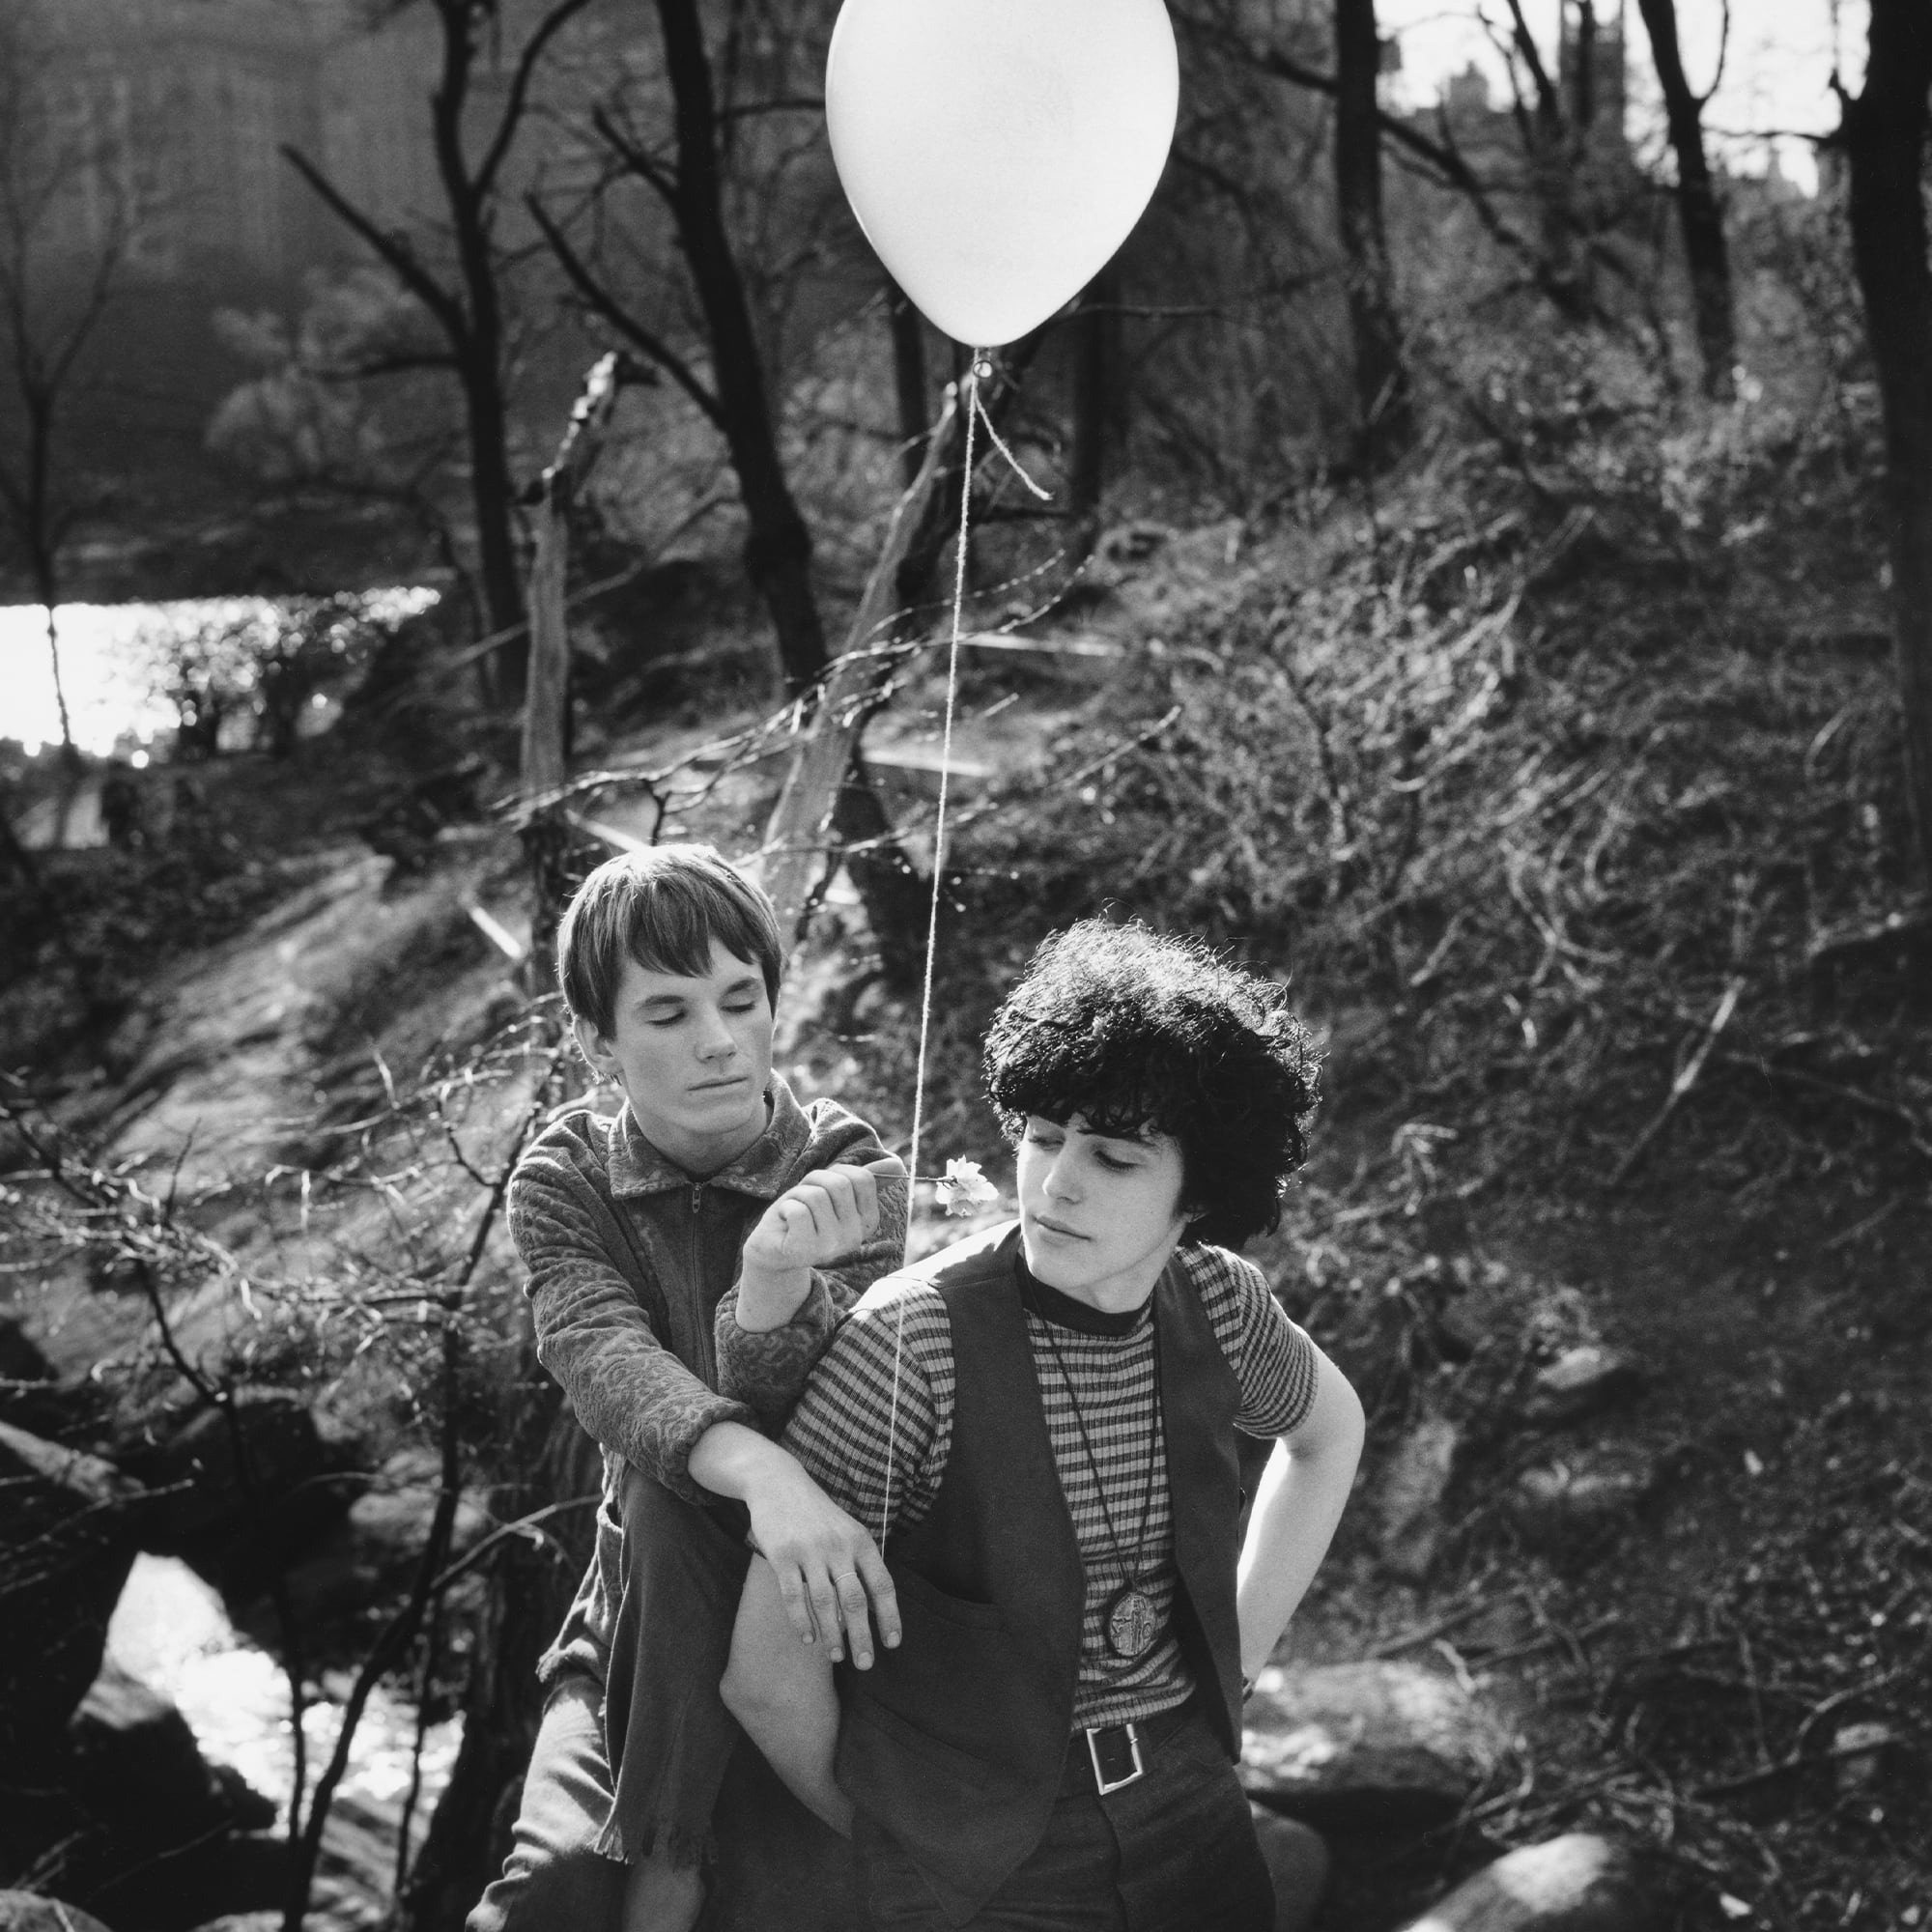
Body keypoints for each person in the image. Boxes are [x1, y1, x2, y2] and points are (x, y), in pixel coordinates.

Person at [722, 919, 1366, 1932]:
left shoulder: (1221, 1301)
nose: (1056, 1183)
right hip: (984, 1851)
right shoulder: (909, 1343)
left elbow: (1328, 1432)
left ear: (1196, 1190)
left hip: (1195, 1797)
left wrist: (1235, 1657)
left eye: (1112, 1157)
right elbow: (763, 1671)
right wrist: (903, 1844)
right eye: (1041, 1136)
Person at [469, 844, 908, 1932]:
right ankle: (662, 1857)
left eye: (739, 998)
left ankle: (671, 1869)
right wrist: (755, 1466)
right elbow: (599, 1354)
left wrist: (769, 1289)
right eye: (665, 1012)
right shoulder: (564, 1174)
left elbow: (849, 1407)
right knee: (552, 1899)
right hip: (636, 1615)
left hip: (811, 1607)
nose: (718, 1041)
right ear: (595, 1041)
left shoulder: (846, 1160)